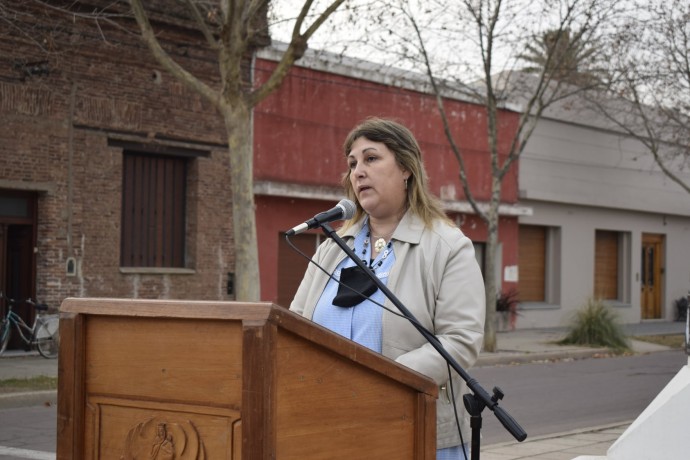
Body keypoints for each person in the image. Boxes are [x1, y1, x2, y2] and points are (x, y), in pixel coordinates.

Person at [290, 117, 486, 459]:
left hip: (411, 429)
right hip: (327, 428)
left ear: (406, 168)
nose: (358, 171)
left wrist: (382, 380)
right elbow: (293, 329)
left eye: (371, 158)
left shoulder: (447, 246)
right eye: (352, 164)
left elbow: (461, 340)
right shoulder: (332, 249)